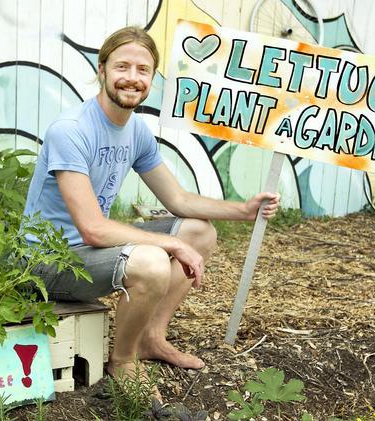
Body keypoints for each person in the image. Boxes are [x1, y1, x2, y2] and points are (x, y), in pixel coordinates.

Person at [23, 26, 280, 384]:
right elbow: (93, 228)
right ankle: (123, 361)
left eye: (142, 70)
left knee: (199, 232)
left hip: (87, 253)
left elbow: (178, 199)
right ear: (102, 71)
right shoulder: (71, 130)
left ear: (152, 77)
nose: (132, 78)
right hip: (45, 263)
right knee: (153, 261)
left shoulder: (136, 130)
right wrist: (171, 244)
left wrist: (243, 211)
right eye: (122, 67)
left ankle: (149, 338)